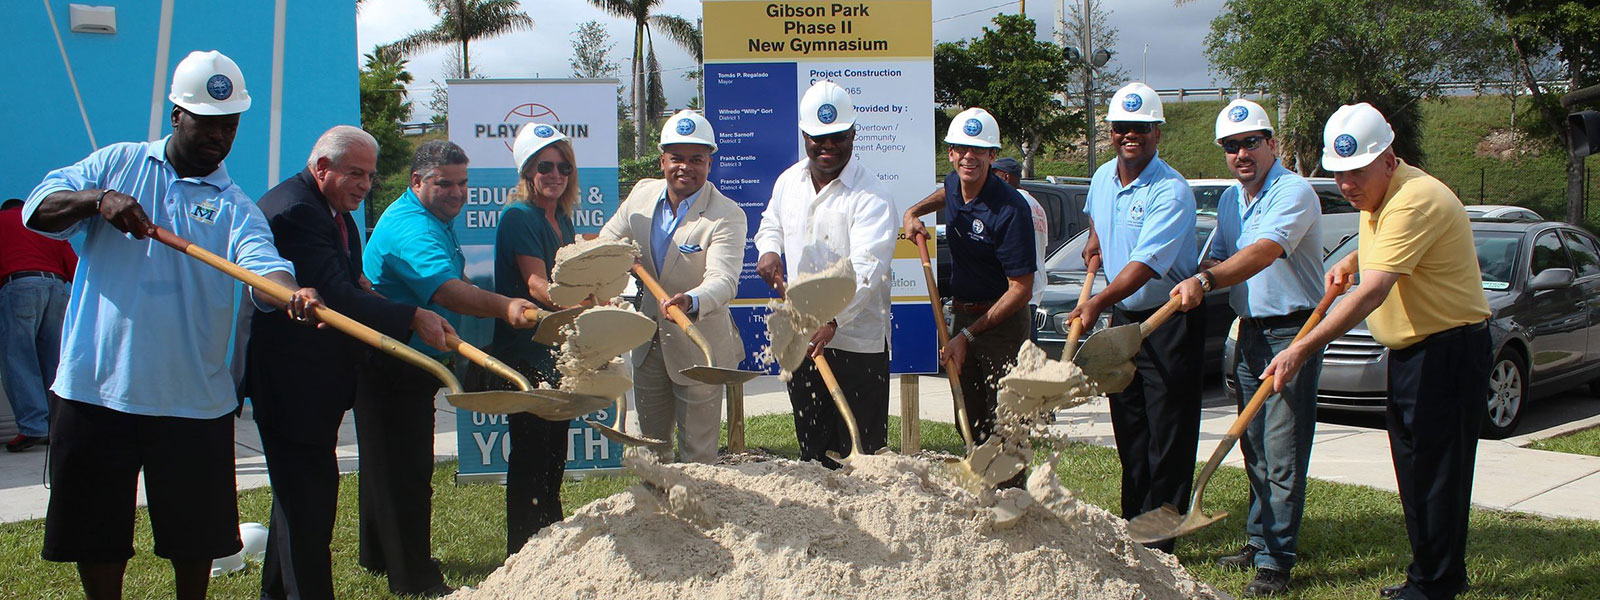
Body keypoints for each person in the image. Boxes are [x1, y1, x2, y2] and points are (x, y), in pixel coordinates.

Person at [23, 50, 323, 600]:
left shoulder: (235, 207)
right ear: (176, 115)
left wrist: (290, 292)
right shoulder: (117, 163)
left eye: (229, 125)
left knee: (195, 539)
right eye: (207, 123)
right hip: (95, 390)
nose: (219, 137)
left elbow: (264, 268)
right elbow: (37, 207)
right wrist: (97, 201)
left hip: (193, 402)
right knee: (95, 536)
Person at [1264, 103, 1491, 600]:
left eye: (1357, 173)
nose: (1347, 185)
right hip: (1415, 355)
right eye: (1339, 175)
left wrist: (1302, 347)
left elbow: (1373, 291)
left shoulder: (1414, 200)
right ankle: (1429, 574)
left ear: (1389, 160)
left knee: (1437, 475)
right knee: (1415, 471)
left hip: (1447, 354)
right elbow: (1382, 248)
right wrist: (1353, 257)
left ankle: (1435, 586)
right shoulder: (1383, 197)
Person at [244, 125, 455, 600]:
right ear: (322, 168)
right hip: (293, 382)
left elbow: (348, 281)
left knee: (297, 500)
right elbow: (332, 297)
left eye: (371, 176)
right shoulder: (297, 211)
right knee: (309, 505)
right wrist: (412, 316)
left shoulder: (332, 210)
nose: (365, 184)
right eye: (355, 173)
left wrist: (369, 293)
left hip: (314, 381)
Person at [357, 140, 537, 597]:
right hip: (393, 360)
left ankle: (378, 556)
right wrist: (505, 307)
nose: (457, 193)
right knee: (407, 471)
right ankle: (413, 576)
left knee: (385, 464)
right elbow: (447, 292)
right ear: (417, 181)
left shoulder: (431, 217)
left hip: (404, 356)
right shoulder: (413, 228)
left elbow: (453, 285)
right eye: (445, 184)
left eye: (463, 183)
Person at [1169, 99, 1324, 596]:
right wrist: (1190, 274)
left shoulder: (1293, 192)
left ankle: (1277, 561)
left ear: (1271, 143)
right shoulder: (1232, 200)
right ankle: (1259, 542)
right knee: (1253, 445)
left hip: (1293, 331)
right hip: (1250, 331)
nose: (1241, 153)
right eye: (1231, 146)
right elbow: (1217, 255)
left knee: (1282, 450)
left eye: (1251, 142)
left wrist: (1206, 281)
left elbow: (1262, 253)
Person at [1065, 82, 1201, 552]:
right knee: (1130, 425)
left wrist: (1097, 302)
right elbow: (1097, 216)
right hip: (1125, 316)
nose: (1130, 135)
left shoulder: (1172, 191)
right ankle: (1133, 525)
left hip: (1169, 319)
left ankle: (1160, 537)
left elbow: (1144, 265)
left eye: (1141, 128)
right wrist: (1095, 239)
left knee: (1168, 432)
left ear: (1157, 133)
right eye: (1122, 127)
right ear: (1110, 131)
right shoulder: (1103, 176)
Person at [756, 82, 897, 468]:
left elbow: (867, 269)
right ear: (805, 136)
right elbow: (771, 222)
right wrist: (769, 248)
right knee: (813, 449)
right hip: (801, 335)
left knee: (862, 453)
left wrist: (833, 319)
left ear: (853, 135)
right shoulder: (789, 182)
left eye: (838, 138)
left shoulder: (872, 197)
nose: (828, 146)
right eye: (819, 139)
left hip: (856, 343)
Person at [600, 110, 747, 464]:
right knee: (651, 447)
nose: (685, 167)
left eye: (696, 159)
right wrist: (617, 267)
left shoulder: (726, 215)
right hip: (648, 343)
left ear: (709, 163)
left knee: (697, 454)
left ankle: (696, 500)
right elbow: (607, 242)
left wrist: (691, 300)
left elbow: (724, 280)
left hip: (698, 346)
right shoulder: (641, 196)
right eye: (676, 158)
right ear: (662, 160)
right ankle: (656, 498)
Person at [901, 106, 1036, 485]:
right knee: (968, 414)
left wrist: (967, 335)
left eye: (978, 150)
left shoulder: (1010, 209)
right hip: (963, 315)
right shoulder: (954, 184)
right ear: (950, 153)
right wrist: (914, 211)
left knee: (1005, 423)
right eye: (961, 149)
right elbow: (945, 193)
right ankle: (980, 489)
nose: (968, 157)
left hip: (1001, 326)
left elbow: (1021, 290)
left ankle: (1011, 499)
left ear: (992, 155)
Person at [493, 122, 580, 554]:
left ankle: (551, 540)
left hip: (557, 352)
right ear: (527, 170)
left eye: (564, 167)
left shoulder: (561, 217)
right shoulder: (519, 217)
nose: (555, 175)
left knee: (555, 452)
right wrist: (588, 301)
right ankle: (524, 549)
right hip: (526, 354)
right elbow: (536, 285)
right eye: (545, 166)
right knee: (531, 453)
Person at [1, 197, 76, 452]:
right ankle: (57, 425)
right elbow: (74, 266)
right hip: (57, 289)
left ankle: (33, 426)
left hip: (19, 286)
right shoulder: (44, 225)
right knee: (54, 361)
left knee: (18, 359)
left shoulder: (2, 222)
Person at [989, 157, 1049, 341]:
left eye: (993, 175)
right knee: (1027, 350)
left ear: (1005, 177)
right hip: (1033, 291)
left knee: (1012, 353)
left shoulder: (1012, 203)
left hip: (1015, 294)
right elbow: (1043, 245)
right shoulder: (1037, 206)